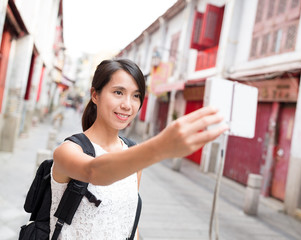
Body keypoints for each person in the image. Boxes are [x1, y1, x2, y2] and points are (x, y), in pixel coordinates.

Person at [50, 59, 228, 239]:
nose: (128, 105)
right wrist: (161, 147)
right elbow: (94, 171)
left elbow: (129, 223)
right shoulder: (67, 150)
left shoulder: (131, 152)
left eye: (136, 96)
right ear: (95, 95)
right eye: (118, 92)